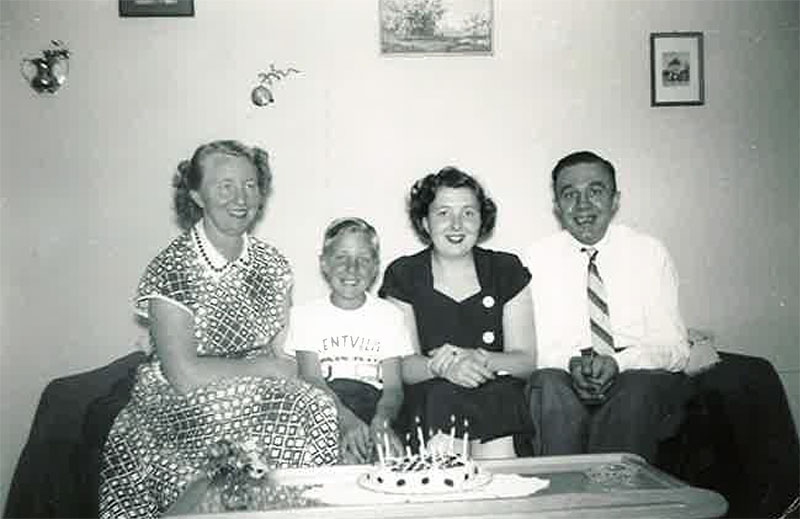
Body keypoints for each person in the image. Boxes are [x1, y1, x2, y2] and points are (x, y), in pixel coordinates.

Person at [98, 140, 339, 518]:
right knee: (245, 434)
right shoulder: (172, 268)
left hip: (256, 394)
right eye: (224, 185)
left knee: (317, 407)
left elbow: (282, 352)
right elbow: (185, 374)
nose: (240, 197)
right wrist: (266, 369)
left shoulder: (273, 263)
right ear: (196, 194)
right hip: (179, 403)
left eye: (250, 184)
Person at [525, 150, 691, 463]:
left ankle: (615, 502)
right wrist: (572, 364)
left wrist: (619, 363)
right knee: (547, 383)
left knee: (635, 389)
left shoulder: (648, 252)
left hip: (635, 377)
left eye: (595, 191)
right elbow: (532, 349)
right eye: (569, 194)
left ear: (615, 200)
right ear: (557, 207)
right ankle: (563, 501)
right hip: (565, 375)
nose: (583, 205)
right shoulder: (536, 259)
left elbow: (676, 349)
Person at [379, 167, 536, 457]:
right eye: (443, 213)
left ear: (481, 220)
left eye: (468, 213)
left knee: (498, 400)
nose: (456, 225)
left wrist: (478, 359)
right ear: (425, 222)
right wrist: (444, 367)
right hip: (431, 400)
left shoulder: (507, 270)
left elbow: (525, 361)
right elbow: (401, 366)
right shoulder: (403, 274)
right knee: (441, 396)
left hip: (496, 400)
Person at [284, 217, 413, 463]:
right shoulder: (304, 316)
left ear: (375, 267)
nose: (352, 268)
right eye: (341, 258)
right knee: (340, 457)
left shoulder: (390, 316)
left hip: (375, 406)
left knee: (390, 459)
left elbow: (394, 388)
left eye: (363, 259)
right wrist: (346, 421)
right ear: (324, 263)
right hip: (327, 404)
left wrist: (381, 423)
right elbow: (312, 380)